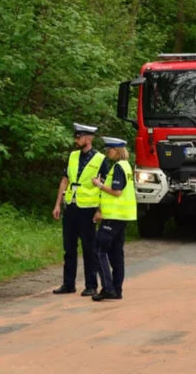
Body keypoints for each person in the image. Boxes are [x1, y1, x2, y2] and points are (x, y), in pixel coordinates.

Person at [52, 123, 107, 296]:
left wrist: (100, 210)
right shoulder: (73, 156)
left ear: (89, 138)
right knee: (69, 248)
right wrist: (57, 204)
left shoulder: (100, 159)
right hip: (71, 207)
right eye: (76, 137)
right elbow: (64, 180)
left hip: (88, 209)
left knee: (89, 248)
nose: (76, 140)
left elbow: (104, 187)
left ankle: (91, 285)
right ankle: (68, 284)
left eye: (79, 137)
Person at [90, 136, 136, 302]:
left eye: (108, 150)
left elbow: (117, 191)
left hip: (113, 216)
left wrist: (99, 185)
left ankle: (108, 288)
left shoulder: (118, 167)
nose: (107, 153)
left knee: (99, 250)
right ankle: (117, 289)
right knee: (117, 254)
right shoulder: (126, 166)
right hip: (122, 216)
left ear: (116, 150)